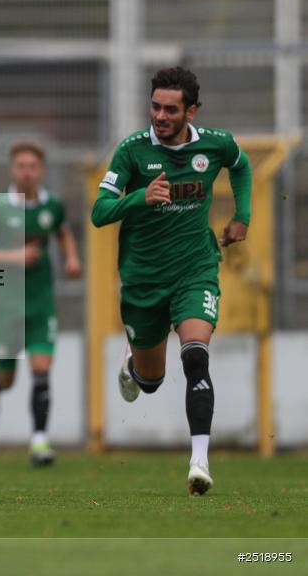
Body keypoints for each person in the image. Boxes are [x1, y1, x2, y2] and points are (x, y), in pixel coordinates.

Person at [91, 66, 252, 495]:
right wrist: (140, 197)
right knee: (151, 382)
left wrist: (242, 216)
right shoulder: (132, 151)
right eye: (155, 106)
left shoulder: (216, 145)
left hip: (195, 270)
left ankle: (199, 461)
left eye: (170, 109)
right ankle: (133, 364)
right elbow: (98, 212)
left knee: (196, 357)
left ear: (191, 111)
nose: (160, 116)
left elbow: (241, 164)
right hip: (143, 280)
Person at [0, 142, 82, 467]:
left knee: (42, 369)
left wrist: (72, 258)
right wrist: (15, 257)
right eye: (21, 166)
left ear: (41, 170)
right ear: (12, 170)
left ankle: (39, 441)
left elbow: (62, 232)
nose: (27, 172)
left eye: (33, 166)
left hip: (40, 302)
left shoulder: (52, 206)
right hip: (2, 305)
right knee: (8, 378)